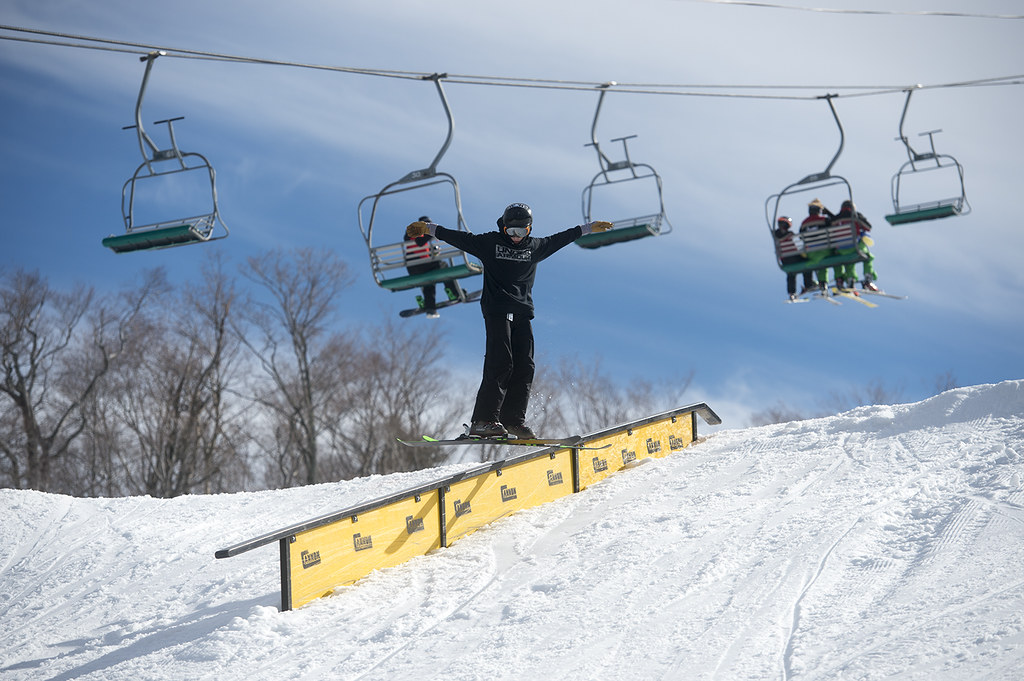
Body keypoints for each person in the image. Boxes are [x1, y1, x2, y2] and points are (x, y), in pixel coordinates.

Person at [406, 203, 612, 439]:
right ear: (503, 228)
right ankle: (483, 420)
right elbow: (459, 238)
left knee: (525, 365)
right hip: (497, 310)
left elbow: (560, 238)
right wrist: (429, 229)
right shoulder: (489, 243)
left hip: (523, 312)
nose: (515, 237)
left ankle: (513, 420)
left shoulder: (536, 247)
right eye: (510, 232)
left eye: (520, 232)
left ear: (529, 229)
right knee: (501, 361)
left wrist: (586, 228)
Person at [403, 215, 463, 318]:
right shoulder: (417, 230)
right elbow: (420, 242)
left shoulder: (410, 233)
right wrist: (434, 233)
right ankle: (454, 293)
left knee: (428, 281)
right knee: (444, 267)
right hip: (421, 265)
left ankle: (430, 306)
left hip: (413, 268)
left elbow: (419, 245)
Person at [832, 200, 879, 291]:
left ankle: (850, 280)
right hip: (854, 246)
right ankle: (868, 279)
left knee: (849, 261)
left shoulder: (835, 219)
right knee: (868, 257)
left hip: (841, 249)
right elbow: (868, 227)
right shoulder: (856, 216)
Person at [800, 199, 839, 290]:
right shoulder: (824, 220)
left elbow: (801, 237)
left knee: (819, 262)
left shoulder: (804, 223)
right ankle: (839, 279)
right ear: (819, 210)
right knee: (834, 255)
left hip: (811, 254)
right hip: (826, 251)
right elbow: (836, 225)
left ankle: (821, 283)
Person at [774, 216, 815, 300]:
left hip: (785, 260)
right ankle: (808, 284)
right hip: (794, 258)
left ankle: (791, 292)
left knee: (791, 273)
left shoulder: (775, 235)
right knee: (807, 263)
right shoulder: (790, 235)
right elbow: (799, 245)